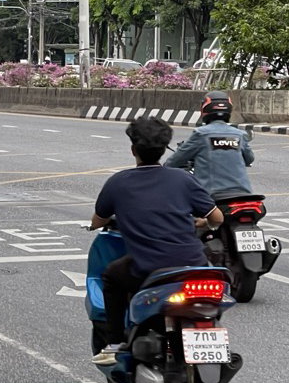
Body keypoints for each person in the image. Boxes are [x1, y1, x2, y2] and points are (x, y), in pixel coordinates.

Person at [90, 117, 222, 365]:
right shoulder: (183, 179)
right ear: (164, 149)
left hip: (148, 268)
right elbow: (216, 217)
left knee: (110, 277)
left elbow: (98, 220)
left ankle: (116, 342)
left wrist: (97, 223)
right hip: (194, 265)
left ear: (133, 150)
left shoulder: (118, 182)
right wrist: (204, 224)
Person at [164, 91, 255, 196]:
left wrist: (166, 166)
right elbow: (250, 159)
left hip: (210, 195)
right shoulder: (239, 134)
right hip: (243, 193)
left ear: (205, 109)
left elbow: (174, 161)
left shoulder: (201, 134)